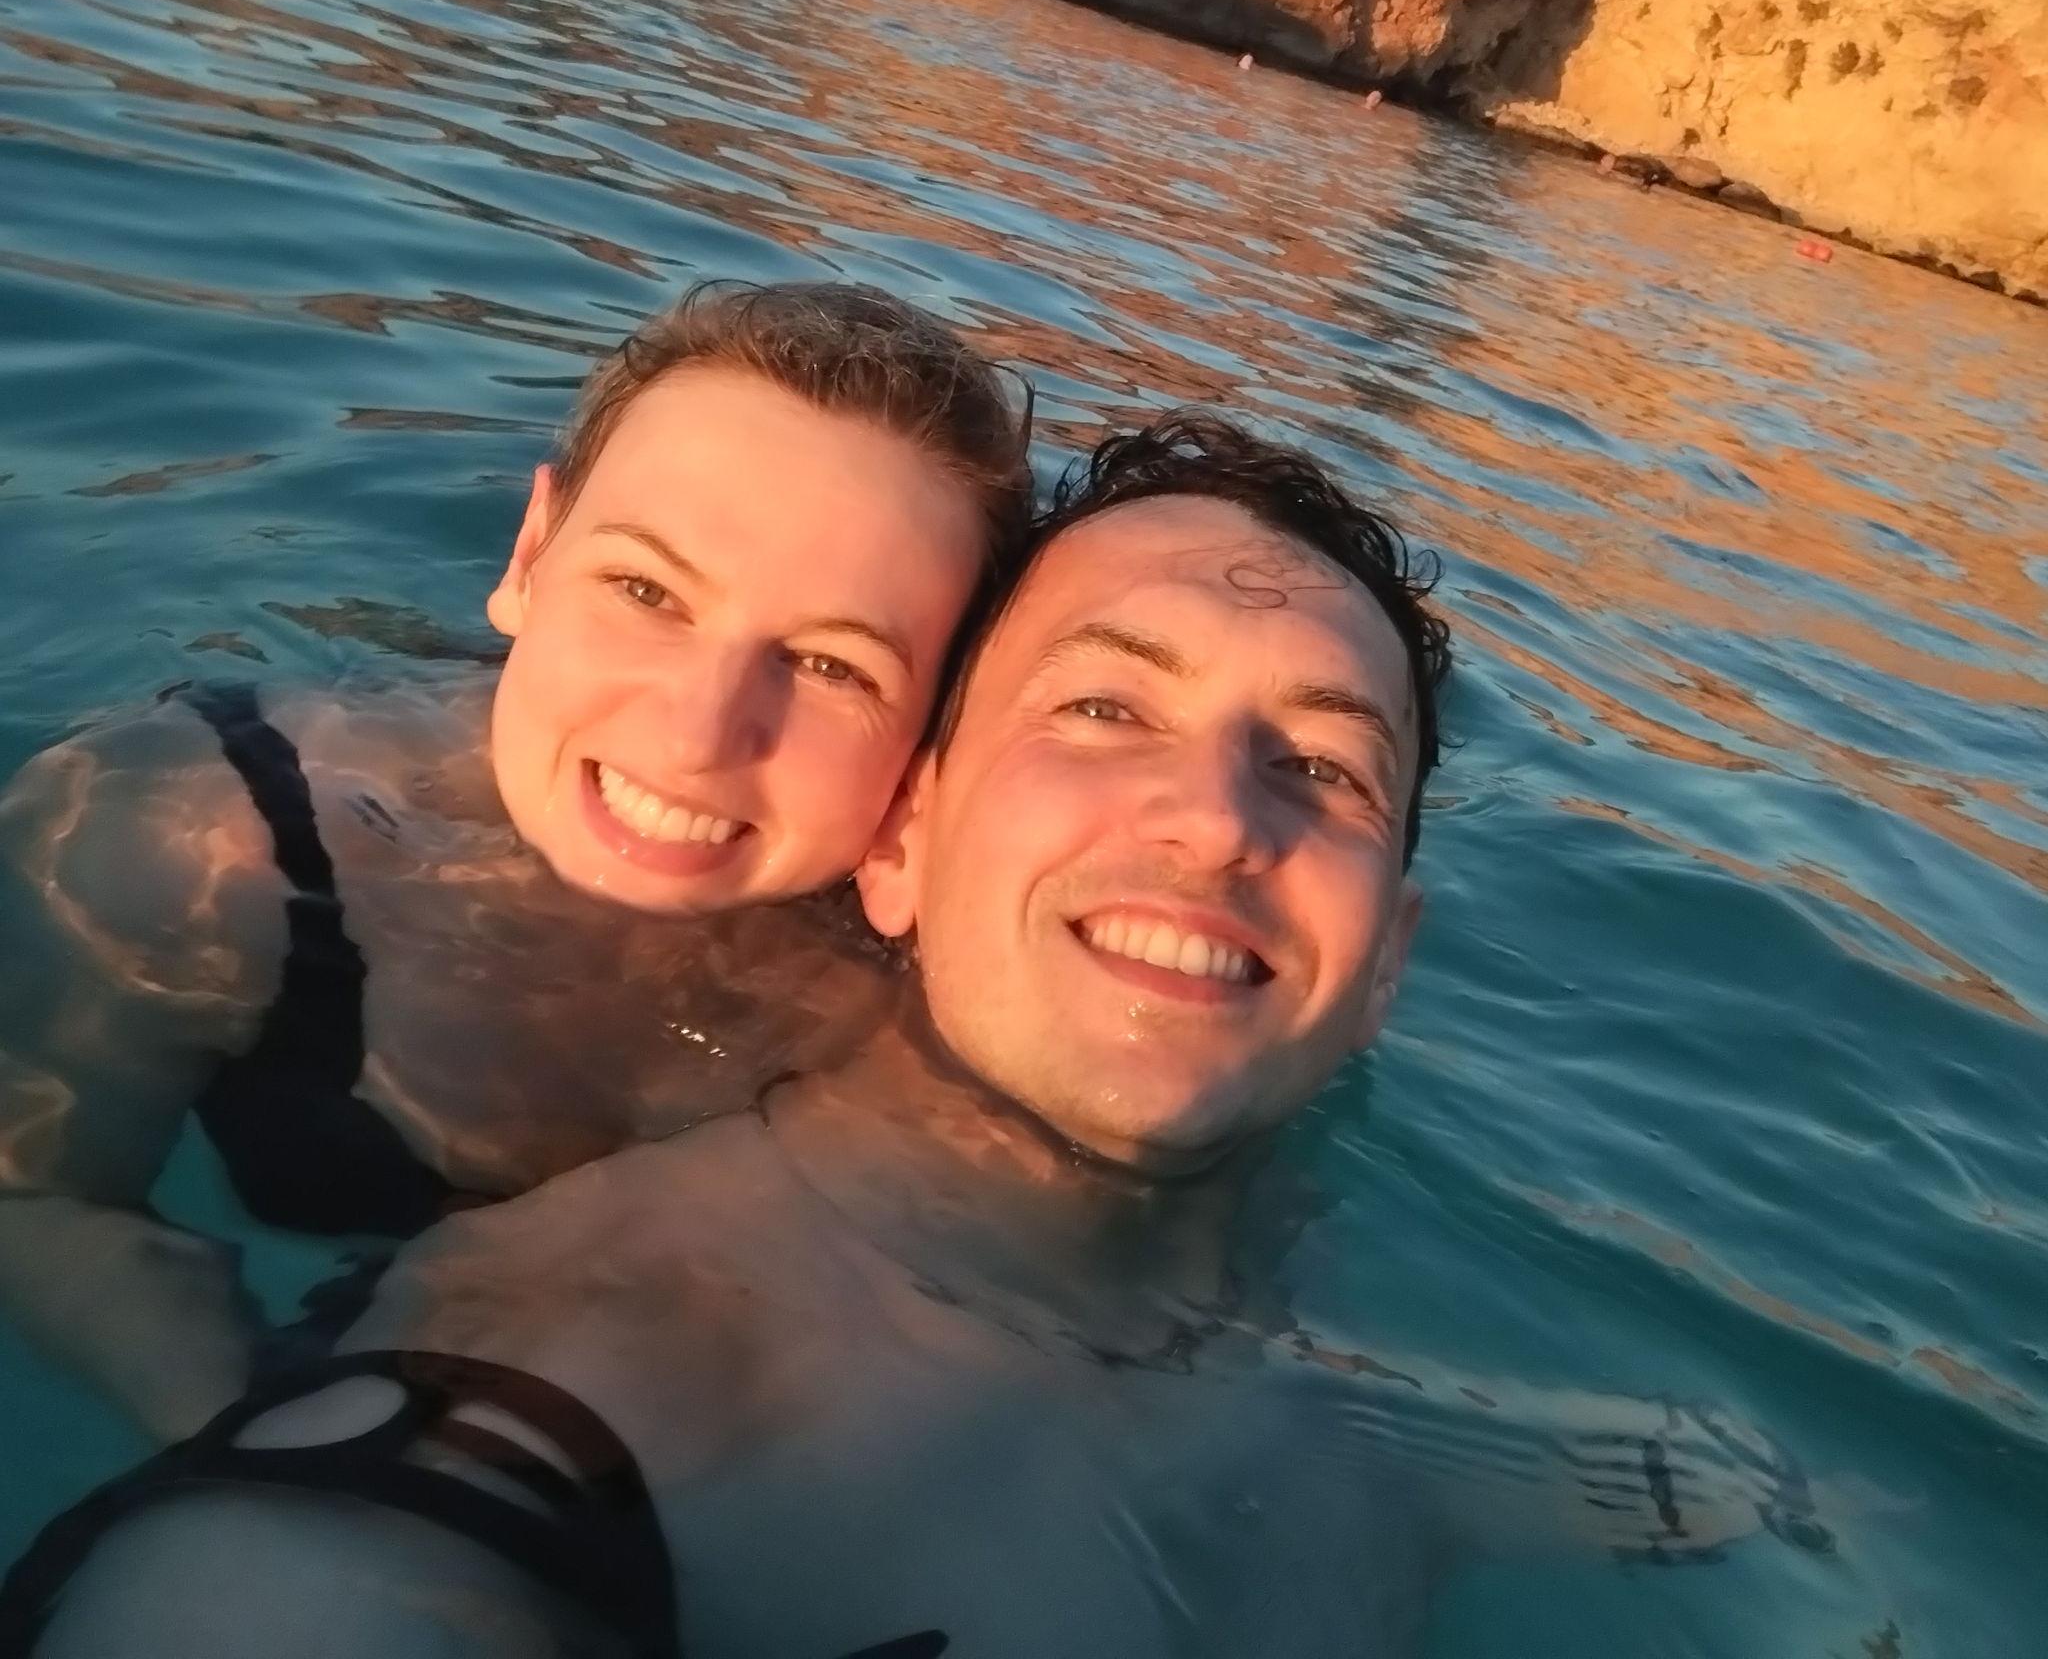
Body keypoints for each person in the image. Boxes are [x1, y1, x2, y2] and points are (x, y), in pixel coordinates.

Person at [0, 417, 1829, 1658]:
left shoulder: (1357, 1384)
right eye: (1105, 704)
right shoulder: (559, 1409)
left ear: (1387, 959)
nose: (1216, 819)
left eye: (1324, 764)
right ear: (895, 840)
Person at [0, 281, 1032, 1445]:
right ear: (531, 556)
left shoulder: (928, 1002)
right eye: (644, 590)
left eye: (834, 665)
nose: (697, 733)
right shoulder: (204, 837)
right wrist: (253, 1444)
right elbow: (31, 1190)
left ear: (935, 734)